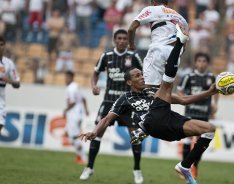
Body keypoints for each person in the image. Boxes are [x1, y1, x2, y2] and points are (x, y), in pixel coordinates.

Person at [81, 25, 217, 184]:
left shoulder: (154, 91)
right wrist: (95, 132)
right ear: (129, 82)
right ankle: (179, 42)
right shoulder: (126, 98)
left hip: (169, 123)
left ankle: (185, 166)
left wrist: (209, 93)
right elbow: (106, 119)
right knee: (166, 83)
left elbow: (183, 100)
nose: (142, 76)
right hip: (154, 122)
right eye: (137, 75)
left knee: (209, 129)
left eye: (141, 74)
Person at [79, 29, 144, 183]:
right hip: (108, 101)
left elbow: (144, 74)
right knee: (97, 133)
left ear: (128, 41)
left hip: (128, 102)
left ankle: (137, 170)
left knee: (135, 137)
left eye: (124, 38)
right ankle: (89, 167)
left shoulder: (134, 57)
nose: (122, 41)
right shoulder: (106, 56)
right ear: (114, 40)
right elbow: (95, 73)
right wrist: (94, 86)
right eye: (119, 38)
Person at [177, 52, 219, 180]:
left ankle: (194, 166)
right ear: (195, 62)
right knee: (188, 140)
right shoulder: (188, 77)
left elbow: (216, 91)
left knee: (201, 143)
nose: (201, 63)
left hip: (204, 113)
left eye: (204, 61)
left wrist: (215, 104)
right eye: (199, 61)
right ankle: (184, 167)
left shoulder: (211, 77)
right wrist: (183, 99)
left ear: (207, 63)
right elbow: (180, 90)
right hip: (190, 112)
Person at [128, 0, 189, 86]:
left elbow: (131, 29)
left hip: (159, 50)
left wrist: (131, 45)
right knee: (165, 90)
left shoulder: (153, 9)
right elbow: (184, 42)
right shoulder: (181, 18)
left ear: (154, 2)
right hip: (175, 53)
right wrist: (175, 56)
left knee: (149, 87)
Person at [64, 70, 89, 164]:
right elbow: (84, 98)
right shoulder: (76, 86)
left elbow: (72, 102)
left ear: (70, 77)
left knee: (73, 137)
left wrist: (65, 110)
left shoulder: (71, 88)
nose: (65, 79)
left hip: (74, 114)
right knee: (74, 136)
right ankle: (80, 156)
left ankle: (83, 158)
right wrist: (86, 110)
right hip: (79, 113)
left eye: (66, 77)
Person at [0, 36, 20, 135]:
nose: (0, 47)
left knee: (0, 124)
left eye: (1, 45)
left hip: (1, 99)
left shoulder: (9, 63)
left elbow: (17, 84)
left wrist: (9, 81)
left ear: (4, 46)